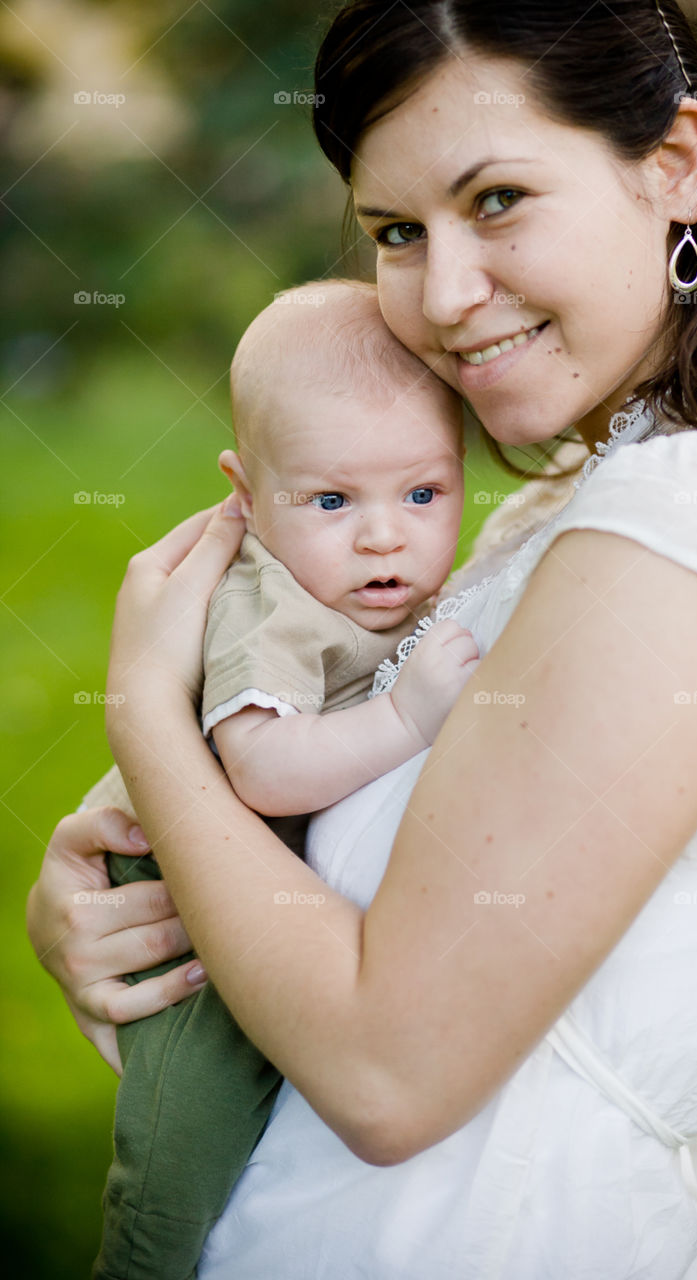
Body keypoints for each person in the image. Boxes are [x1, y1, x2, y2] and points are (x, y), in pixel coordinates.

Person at [27, 1, 697, 1276]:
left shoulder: (692, 529)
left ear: (675, 165)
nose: (447, 295)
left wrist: (147, 712)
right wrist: (127, 893)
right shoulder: (574, 500)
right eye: (397, 233)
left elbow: (387, 1070)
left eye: (499, 199)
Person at [83, 277, 476, 1279]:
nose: (383, 535)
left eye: (423, 493)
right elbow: (260, 768)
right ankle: (140, 1256)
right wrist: (403, 719)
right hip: (188, 907)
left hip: (277, 903)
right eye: (332, 500)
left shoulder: (391, 583)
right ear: (248, 493)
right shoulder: (275, 607)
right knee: (191, 1124)